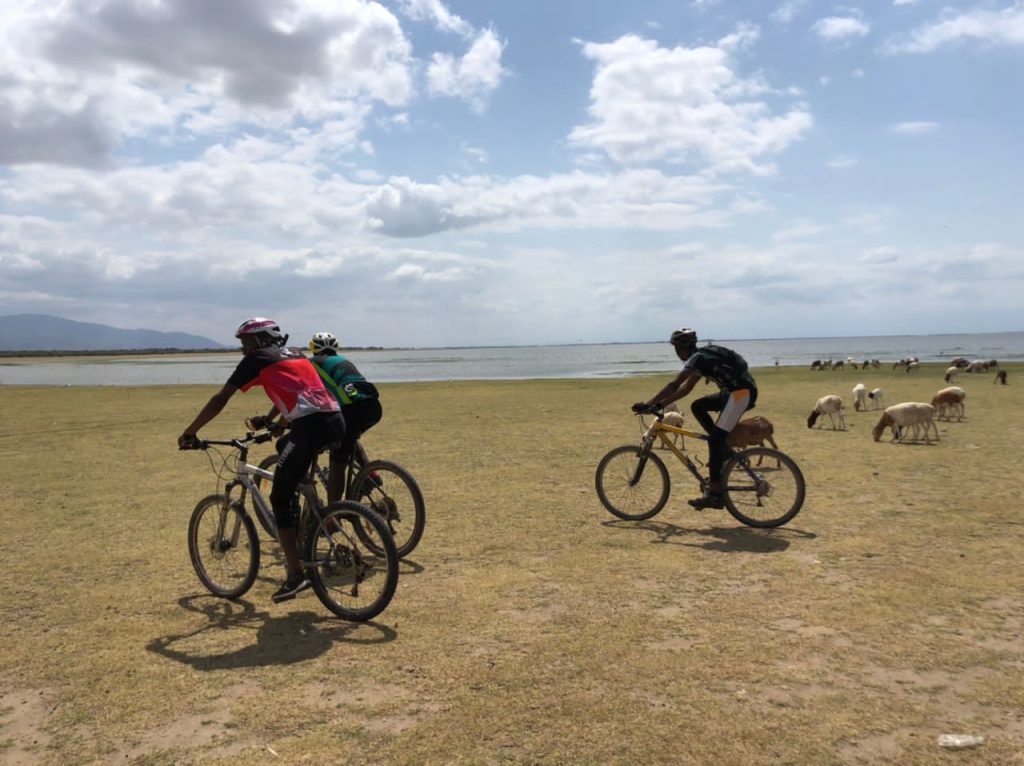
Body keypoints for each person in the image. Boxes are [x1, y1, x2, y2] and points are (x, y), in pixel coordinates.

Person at [178, 318, 346, 603]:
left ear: (258, 340)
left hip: (309, 428)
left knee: (279, 498)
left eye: (244, 342)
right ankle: (308, 522)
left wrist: (190, 432)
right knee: (288, 462)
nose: (243, 349)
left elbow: (221, 399)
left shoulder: (255, 359)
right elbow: (299, 393)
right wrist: (276, 423)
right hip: (336, 420)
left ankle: (295, 576)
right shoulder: (295, 353)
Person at [633, 328, 758, 510]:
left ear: (681, 349)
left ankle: (715, 495)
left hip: (740, 395)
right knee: (697, 406)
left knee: (714, 441)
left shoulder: (697, 359)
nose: (676, 353)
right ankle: (722, 447)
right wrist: (659, 406)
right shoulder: (702, 359)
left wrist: (649, 403)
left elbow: (674, 385)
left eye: (676, 349)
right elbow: (685, 389)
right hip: (734, 393)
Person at [307, 331, 382, 503]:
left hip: (352, 410)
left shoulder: (311, 364)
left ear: (312, 348)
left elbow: (303, 391)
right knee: (350, 437)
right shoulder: (342, 361)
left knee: (337, 460)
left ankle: (333, 514)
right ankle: (371, 474)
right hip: (373, 407)